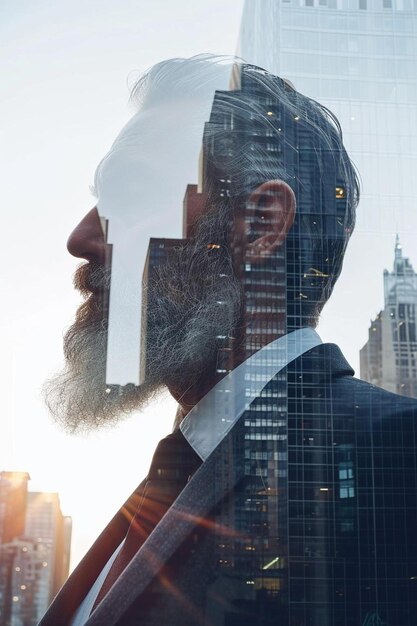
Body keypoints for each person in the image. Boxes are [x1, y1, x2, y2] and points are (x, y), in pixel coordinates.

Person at [40, 58, 417, 626]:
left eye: (132, 191)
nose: (81, 238)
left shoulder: (394, 459)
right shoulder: (171, 475)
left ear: (260, 224)